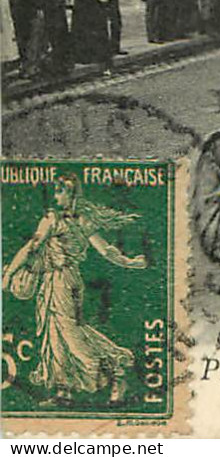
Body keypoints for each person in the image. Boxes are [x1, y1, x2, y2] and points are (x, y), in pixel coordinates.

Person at [1, 173, 146, 404]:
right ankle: (63, 392)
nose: (56, 196)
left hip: (61, 281)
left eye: (60, 191)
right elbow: (106, 249)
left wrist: (8, 275)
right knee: (56, 334)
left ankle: (116, 372)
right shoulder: (83, 220)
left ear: (71, 194)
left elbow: (31, 248)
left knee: (70, 333)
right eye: (56, 191)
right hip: (66, 280)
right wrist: (129, 262)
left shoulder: (53, 219)